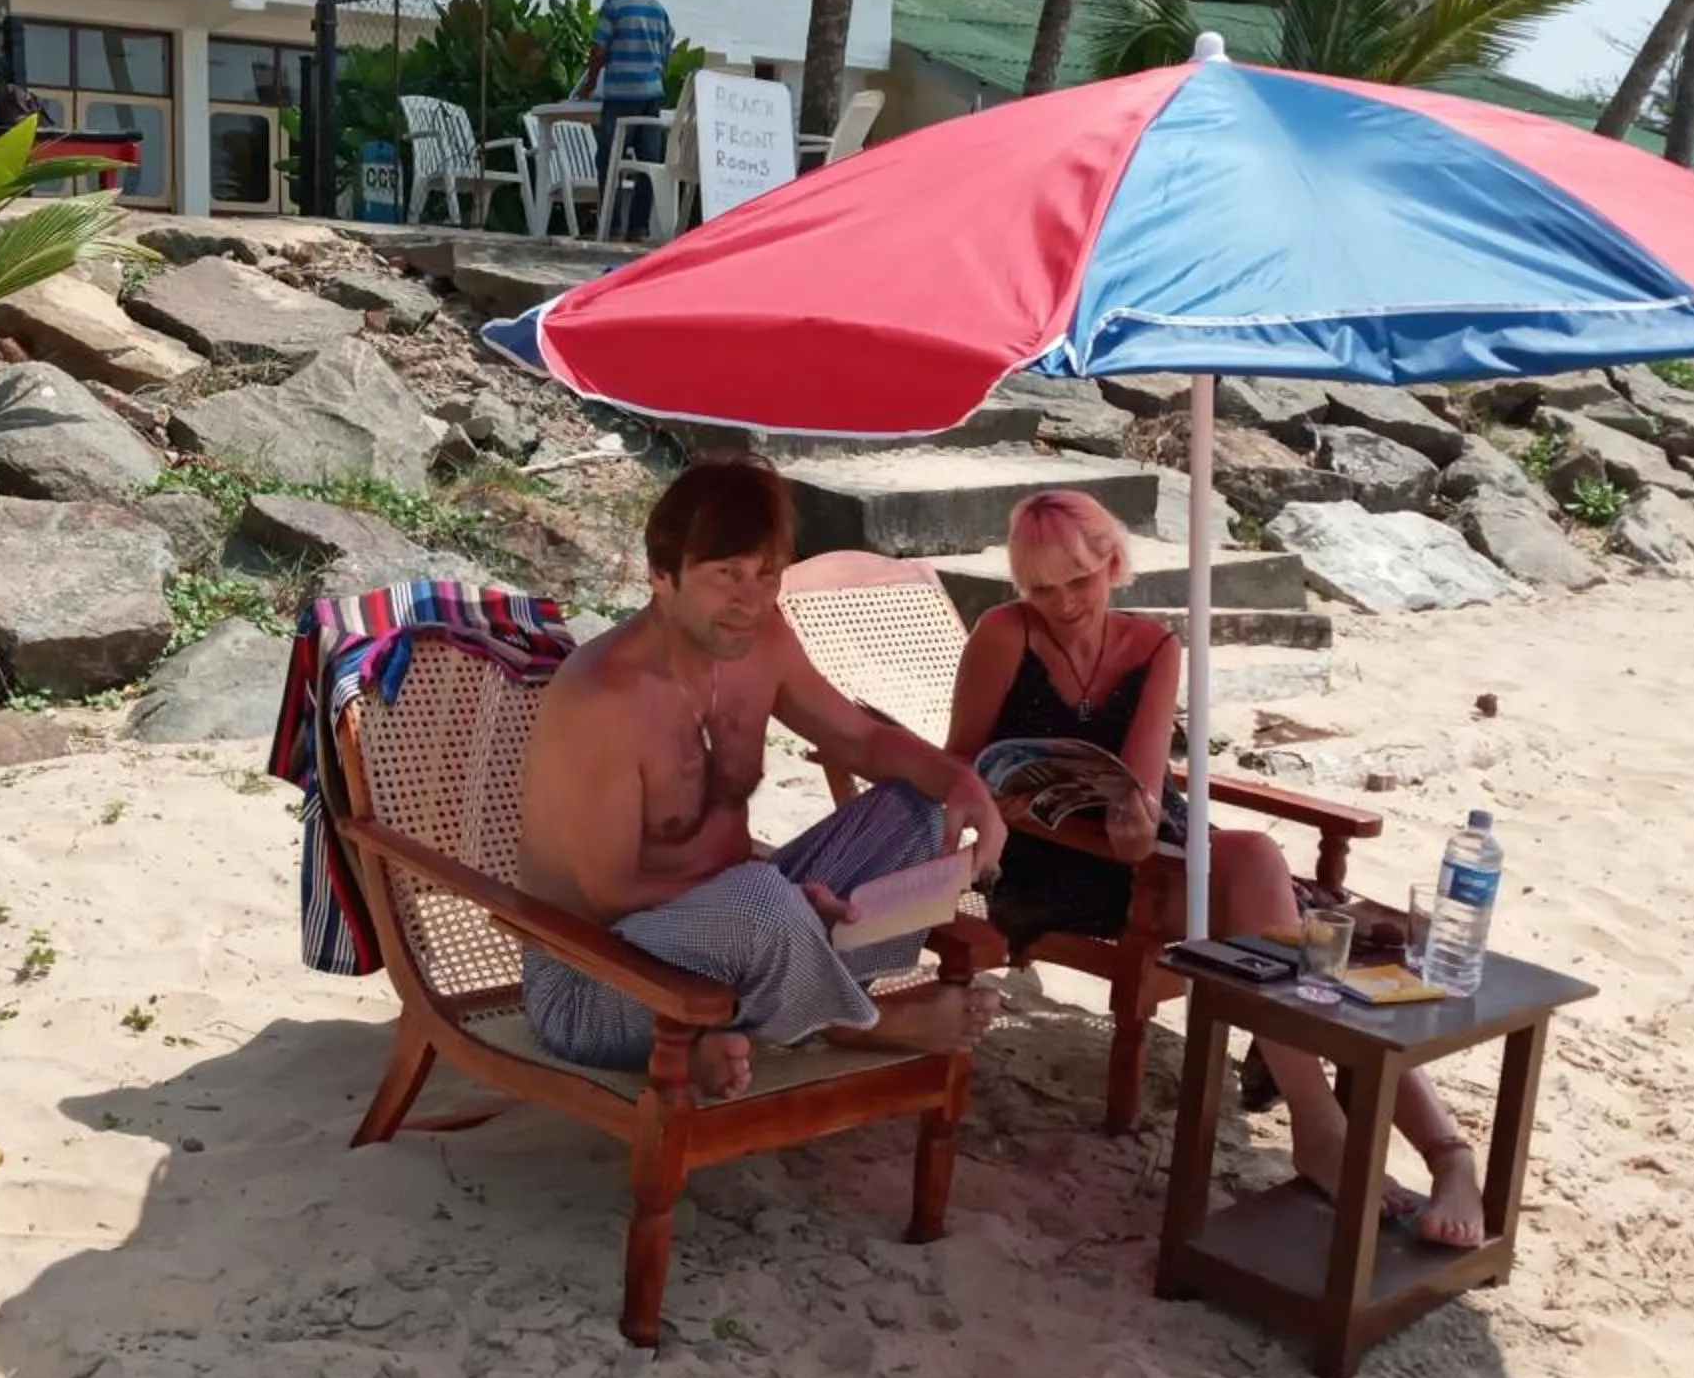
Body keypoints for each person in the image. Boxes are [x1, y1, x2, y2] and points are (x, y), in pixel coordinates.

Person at [943, 489, 1488, 1247]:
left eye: (1080, 580)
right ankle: (1348, 1130)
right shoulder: (1005, 635)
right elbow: (961, 764)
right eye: (1042, 587)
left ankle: (1437, 1151)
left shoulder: (1155, 648)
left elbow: (1138, 792)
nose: (1064, 602)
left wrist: (1133, 822)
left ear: (1115, 564)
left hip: (1148, 858)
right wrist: (1037, 805)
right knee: (1294, 920)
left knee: (1323, 947)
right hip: (1045, 862)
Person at [519, 454, 1007, 1100]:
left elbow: (859, 738)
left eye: (767, 575)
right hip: (598, 978)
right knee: (761, 901)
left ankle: (731, 1030)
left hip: (744, 927)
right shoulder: (603, 697)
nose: (751, 601)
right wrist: (790, 902)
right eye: (727, 576)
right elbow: (612, 895)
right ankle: (858, 1022)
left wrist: (961, 785)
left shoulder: (761, 642)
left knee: (917, 808)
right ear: (661, 575)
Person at [584, 0, 675, 239]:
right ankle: (638, 227)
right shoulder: (659, 10)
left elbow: (599, 50)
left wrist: (590, 83)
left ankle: (609, 225)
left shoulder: (613, 6)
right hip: (651, 97)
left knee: (609, 160)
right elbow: (666, 51)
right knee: (649, 163)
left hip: (621, 95)